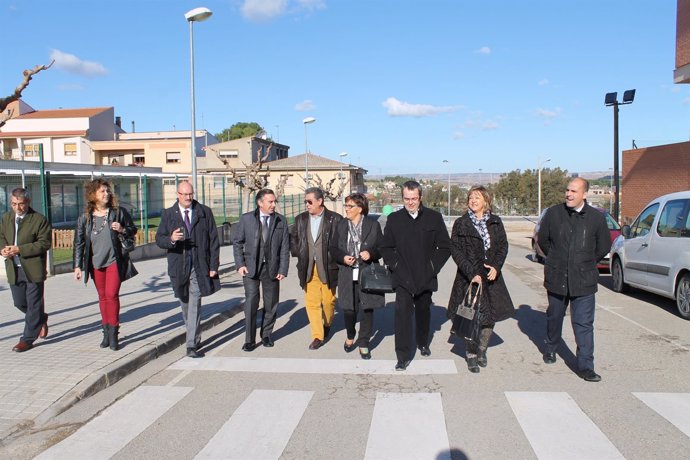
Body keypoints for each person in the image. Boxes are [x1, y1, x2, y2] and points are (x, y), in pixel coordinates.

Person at [537, 177, 610, 382]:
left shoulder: (596, 218)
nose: (569, 194)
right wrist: (557, 259)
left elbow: (603, 246)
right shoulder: (553, 214)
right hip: (557, 275)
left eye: (574, 191)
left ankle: (586, 365)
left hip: (584, 279)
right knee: (554, 315)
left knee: (584, 323)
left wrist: (584, 262)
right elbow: (543, 240)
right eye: (567, 190)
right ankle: (551, 347)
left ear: (585, 194)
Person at [380, 180, 451, 371]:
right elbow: (386, 247)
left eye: (414, 199)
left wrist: (432, 267)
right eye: (406, 199)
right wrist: (394, 265)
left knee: (423, 312)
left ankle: (422, 342)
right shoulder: (394, 219)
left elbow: (445, 246)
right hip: (402, 277)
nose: (410, 202)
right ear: (402, 198)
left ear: (420, 198)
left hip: (425, 276)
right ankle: (402, 356)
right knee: (402, 316)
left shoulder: (434, 218)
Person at [447, 186, 515, 373]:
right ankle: (470, 355)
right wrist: (471, 273)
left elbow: (503, 246)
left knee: (489, 317)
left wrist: (496, 267)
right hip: (469, 278)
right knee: (469, 316)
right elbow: (455, 250)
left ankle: (482, 349)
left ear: (486, 200)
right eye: (470, 197)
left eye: (477, 197)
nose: (473, 201)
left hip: (490, 277)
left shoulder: (495, 222)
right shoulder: (461, 223)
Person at [155, 180, 220, 358]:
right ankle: (195, 334)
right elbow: (159, 239)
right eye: (184, 194)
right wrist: (171, 239)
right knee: (185, 304)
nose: (188, 197)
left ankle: (190, 344)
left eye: (190, 194)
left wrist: (214, 265)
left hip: (199, 265)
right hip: (179, 266)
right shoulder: (169, 214)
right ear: (178, 195)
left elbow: (214, 240)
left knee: (195, 303)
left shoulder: (204, 212)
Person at [74, 179, 138, 351]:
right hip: (95, 263)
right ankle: (105, 332)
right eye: (102, 191)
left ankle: (114, 333)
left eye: (107, 191)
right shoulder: (85, 217)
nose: (106, 194)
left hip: (114, 260)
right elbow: (79, 243)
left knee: (111, 295)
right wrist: (77, 266)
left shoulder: (118, 213)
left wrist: (123, 229)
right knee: (102, 297)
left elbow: (133, 229)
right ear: (93, 194)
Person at [233, 188, 290, 351]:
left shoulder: (281, 220)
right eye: (270, 202)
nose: (273, 205)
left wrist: (283, 268)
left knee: (271, 303)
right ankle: (249, 339)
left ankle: (266, 334)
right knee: (251, 302)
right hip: (250, 268)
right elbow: (237, 242)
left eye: (274, 201)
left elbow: (285, 247)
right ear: (260, 202)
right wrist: (240, 264)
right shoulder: (246, 219)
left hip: (271, 268)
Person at [330, 193, 385, 359]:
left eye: (350, 206)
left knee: (367, 308)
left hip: (366, 272)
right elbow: (333, 248)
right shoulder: (341, 225)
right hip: (347, 272)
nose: (346, 209)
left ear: (360, 209)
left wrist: (372, 253)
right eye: (346, 206)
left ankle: (363, 342)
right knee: (348, 308)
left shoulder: (372, 226)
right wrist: (342, 257)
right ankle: (350, 334)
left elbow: (382, 248)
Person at [290, 187, 342, 350]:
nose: (307, 204)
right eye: (305, 201)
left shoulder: (335, 219)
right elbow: (294, 238)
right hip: (307, 267)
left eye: (310, 201)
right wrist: (299, 252)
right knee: (312, 303)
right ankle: (317, 336)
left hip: (328, 267)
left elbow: (340, 242)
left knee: (328, 301)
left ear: (320, 201)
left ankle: (327, 324)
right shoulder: (300, 219)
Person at [0, 188, 51, 352]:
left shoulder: (39, 220)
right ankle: (40, 318)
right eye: (14, 204)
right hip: (14, 268)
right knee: (19, 302)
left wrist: (19, 249)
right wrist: (3, 249)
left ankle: (27, 340)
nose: (17, 208)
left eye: (21, 204)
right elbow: (1, 237)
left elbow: (44, 243)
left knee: (34, 304)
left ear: (28, 202)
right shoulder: (6, 218)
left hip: (32, 268)